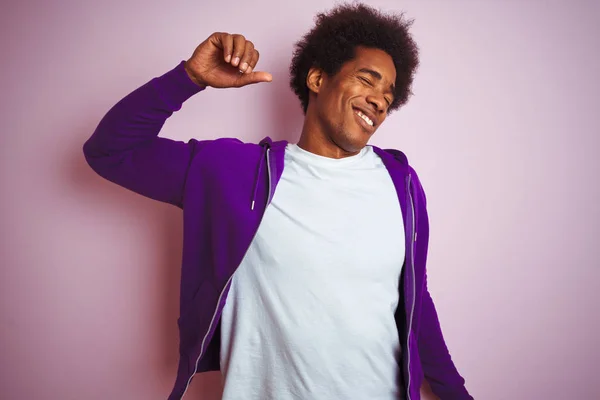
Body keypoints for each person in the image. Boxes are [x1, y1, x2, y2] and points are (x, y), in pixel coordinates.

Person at [83, 3, 473, 400]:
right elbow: (110, 151)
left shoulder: (402, 184)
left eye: (389, 94)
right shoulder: (235, 174)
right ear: (318, 78)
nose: (379, 100)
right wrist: (188, 78)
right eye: (367, 80)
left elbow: (415, 300)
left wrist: (457, 395)